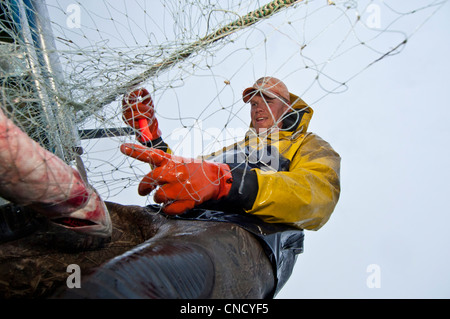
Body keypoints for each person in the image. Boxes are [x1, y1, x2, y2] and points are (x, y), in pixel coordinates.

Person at [113, 76, 341, 297]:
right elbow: (180, 170)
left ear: (287, 105)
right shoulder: (235, 148)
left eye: (267, 101)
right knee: (99, 227)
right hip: (173, 222)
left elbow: (318, 196)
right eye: (253, 103)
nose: (258, 109)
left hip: (248, 240)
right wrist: (147, 131)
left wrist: (227, 182)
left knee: (134, 280)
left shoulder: (308, 144)